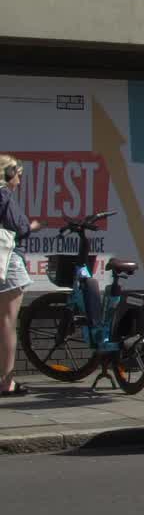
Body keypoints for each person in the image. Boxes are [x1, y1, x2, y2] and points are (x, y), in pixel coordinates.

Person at [0, 155, 40, 396]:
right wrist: (32, 226)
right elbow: (20, 226)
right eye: (18, 176)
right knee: (7, 322)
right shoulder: (3, 194)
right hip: (7, 261)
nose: (19, 182)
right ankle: (6, 382)